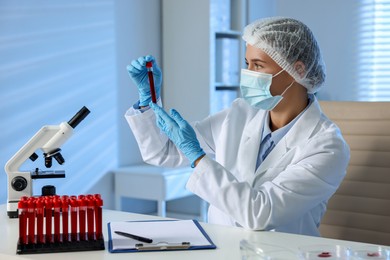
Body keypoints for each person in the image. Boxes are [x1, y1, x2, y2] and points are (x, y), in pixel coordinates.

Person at [124, 17, 350, 237]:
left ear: (298, 71)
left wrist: (198, 157)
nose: (248, 74)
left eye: (258, 65)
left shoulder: (327, 147)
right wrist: (148, 101)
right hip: (221, 247)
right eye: (247, 64)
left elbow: (259, 214)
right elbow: (163, 153)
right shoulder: (239, 114)